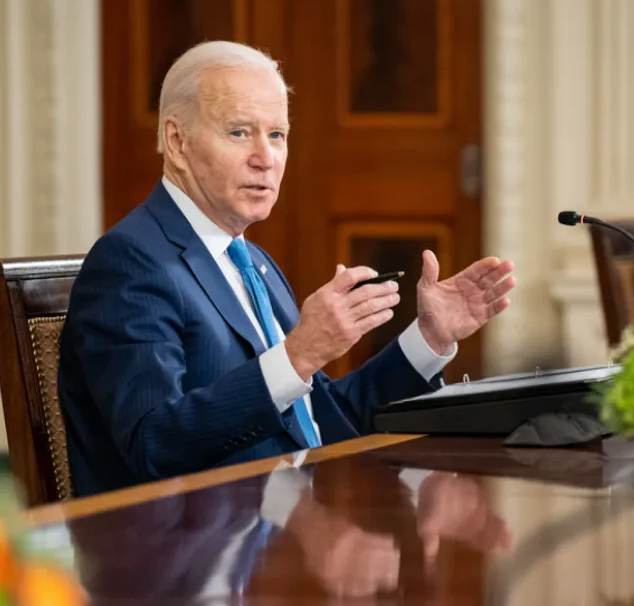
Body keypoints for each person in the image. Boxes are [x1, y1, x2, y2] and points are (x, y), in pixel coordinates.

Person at [58, 41, 517, 496]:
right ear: (177, 142)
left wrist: (428, 340)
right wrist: (297, 356)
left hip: (297, 523)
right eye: (240, 132)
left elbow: (321, 420)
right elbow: (153, 444)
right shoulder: (131, 263)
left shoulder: (252, 261)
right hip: (195, 554)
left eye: (277, 135)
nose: (266, 158)